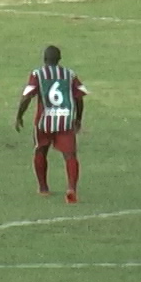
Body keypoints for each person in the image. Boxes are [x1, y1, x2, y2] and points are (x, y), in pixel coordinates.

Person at [15, 46, 88, 203]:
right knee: (70, 155)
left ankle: (43, 188)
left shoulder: (38, 74)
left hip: (44, 122)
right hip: (65, 120)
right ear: (59, 59)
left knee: (40, 151)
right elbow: (80, 97)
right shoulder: (70, 74)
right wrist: (78, 118)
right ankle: (71, 189)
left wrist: (19, 116)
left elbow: (27, 97)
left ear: (44, 59)